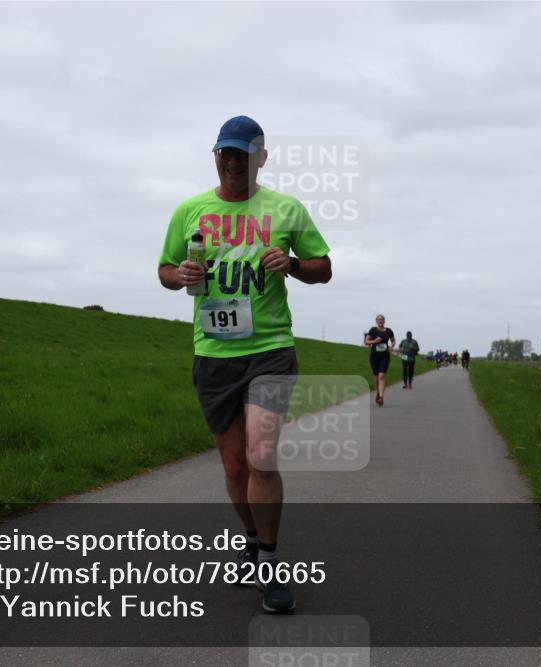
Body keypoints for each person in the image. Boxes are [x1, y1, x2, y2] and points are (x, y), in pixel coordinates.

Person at [158, 116, 331, 613]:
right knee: (235, 466)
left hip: (270, 348)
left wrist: (293, 264)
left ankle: (271, 564)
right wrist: (181, 274)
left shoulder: (285, 209)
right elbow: (165, 270)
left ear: (262, 157)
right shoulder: (190, 210)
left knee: (261, 455)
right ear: (216, 157)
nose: (233, 162)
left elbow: (324, 268)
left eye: (243, 154)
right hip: (213, 352)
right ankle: (252, 541)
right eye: (224, 153)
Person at [365, 315, 395, 405]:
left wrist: (392, 346)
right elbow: (366, 342)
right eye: (378, 320)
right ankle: (378, 392)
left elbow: (393, 341)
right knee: (377, 377)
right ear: (376, 321)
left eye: (382, 320)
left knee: (381, 375)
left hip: (385, 356)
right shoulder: (373, 330)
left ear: (384, 321)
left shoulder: (389, 331)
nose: (380, 321)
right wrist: (375, 341)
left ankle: (381, 397)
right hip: (374, 357)